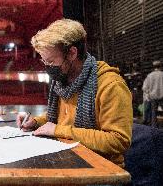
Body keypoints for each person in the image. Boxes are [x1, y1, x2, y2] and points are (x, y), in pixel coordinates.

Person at [16, 19, 133, 168]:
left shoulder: (111, 85)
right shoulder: (63, 81)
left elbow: (118, 141)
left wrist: (58, 130)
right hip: (68, 158)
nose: (48, 68)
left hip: (101, 169)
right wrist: (36, 122)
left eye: (51, 62)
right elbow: (62, 117)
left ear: (72, 53)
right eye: (44, 62)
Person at [142, 60, 163, 128]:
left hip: (153, 98)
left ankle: (154, 129)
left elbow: (144, 88)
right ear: (160, 66)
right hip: (162, 97)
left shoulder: (150, 76)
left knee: (154, 115)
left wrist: (149, 94)